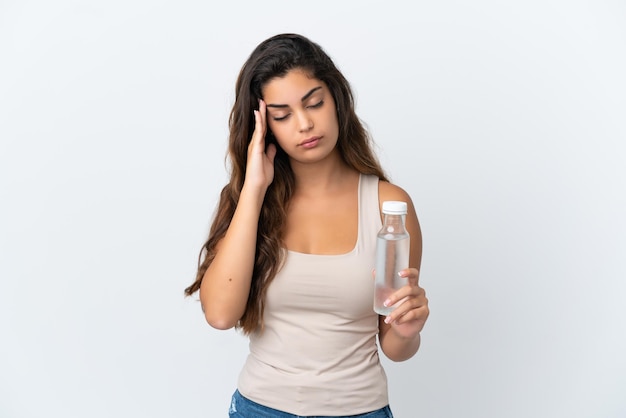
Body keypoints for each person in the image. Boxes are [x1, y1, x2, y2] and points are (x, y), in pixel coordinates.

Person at [185, 33, 429, 418]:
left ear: (336, 100)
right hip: (259, 408)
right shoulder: (250, 202)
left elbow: (395, 349)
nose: (304, 124)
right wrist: (253, 189)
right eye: (282, 115)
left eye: (314, 103)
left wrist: (408, 328)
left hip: (360, 409)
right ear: (263, 126)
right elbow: (219, 314)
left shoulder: (388, 208)